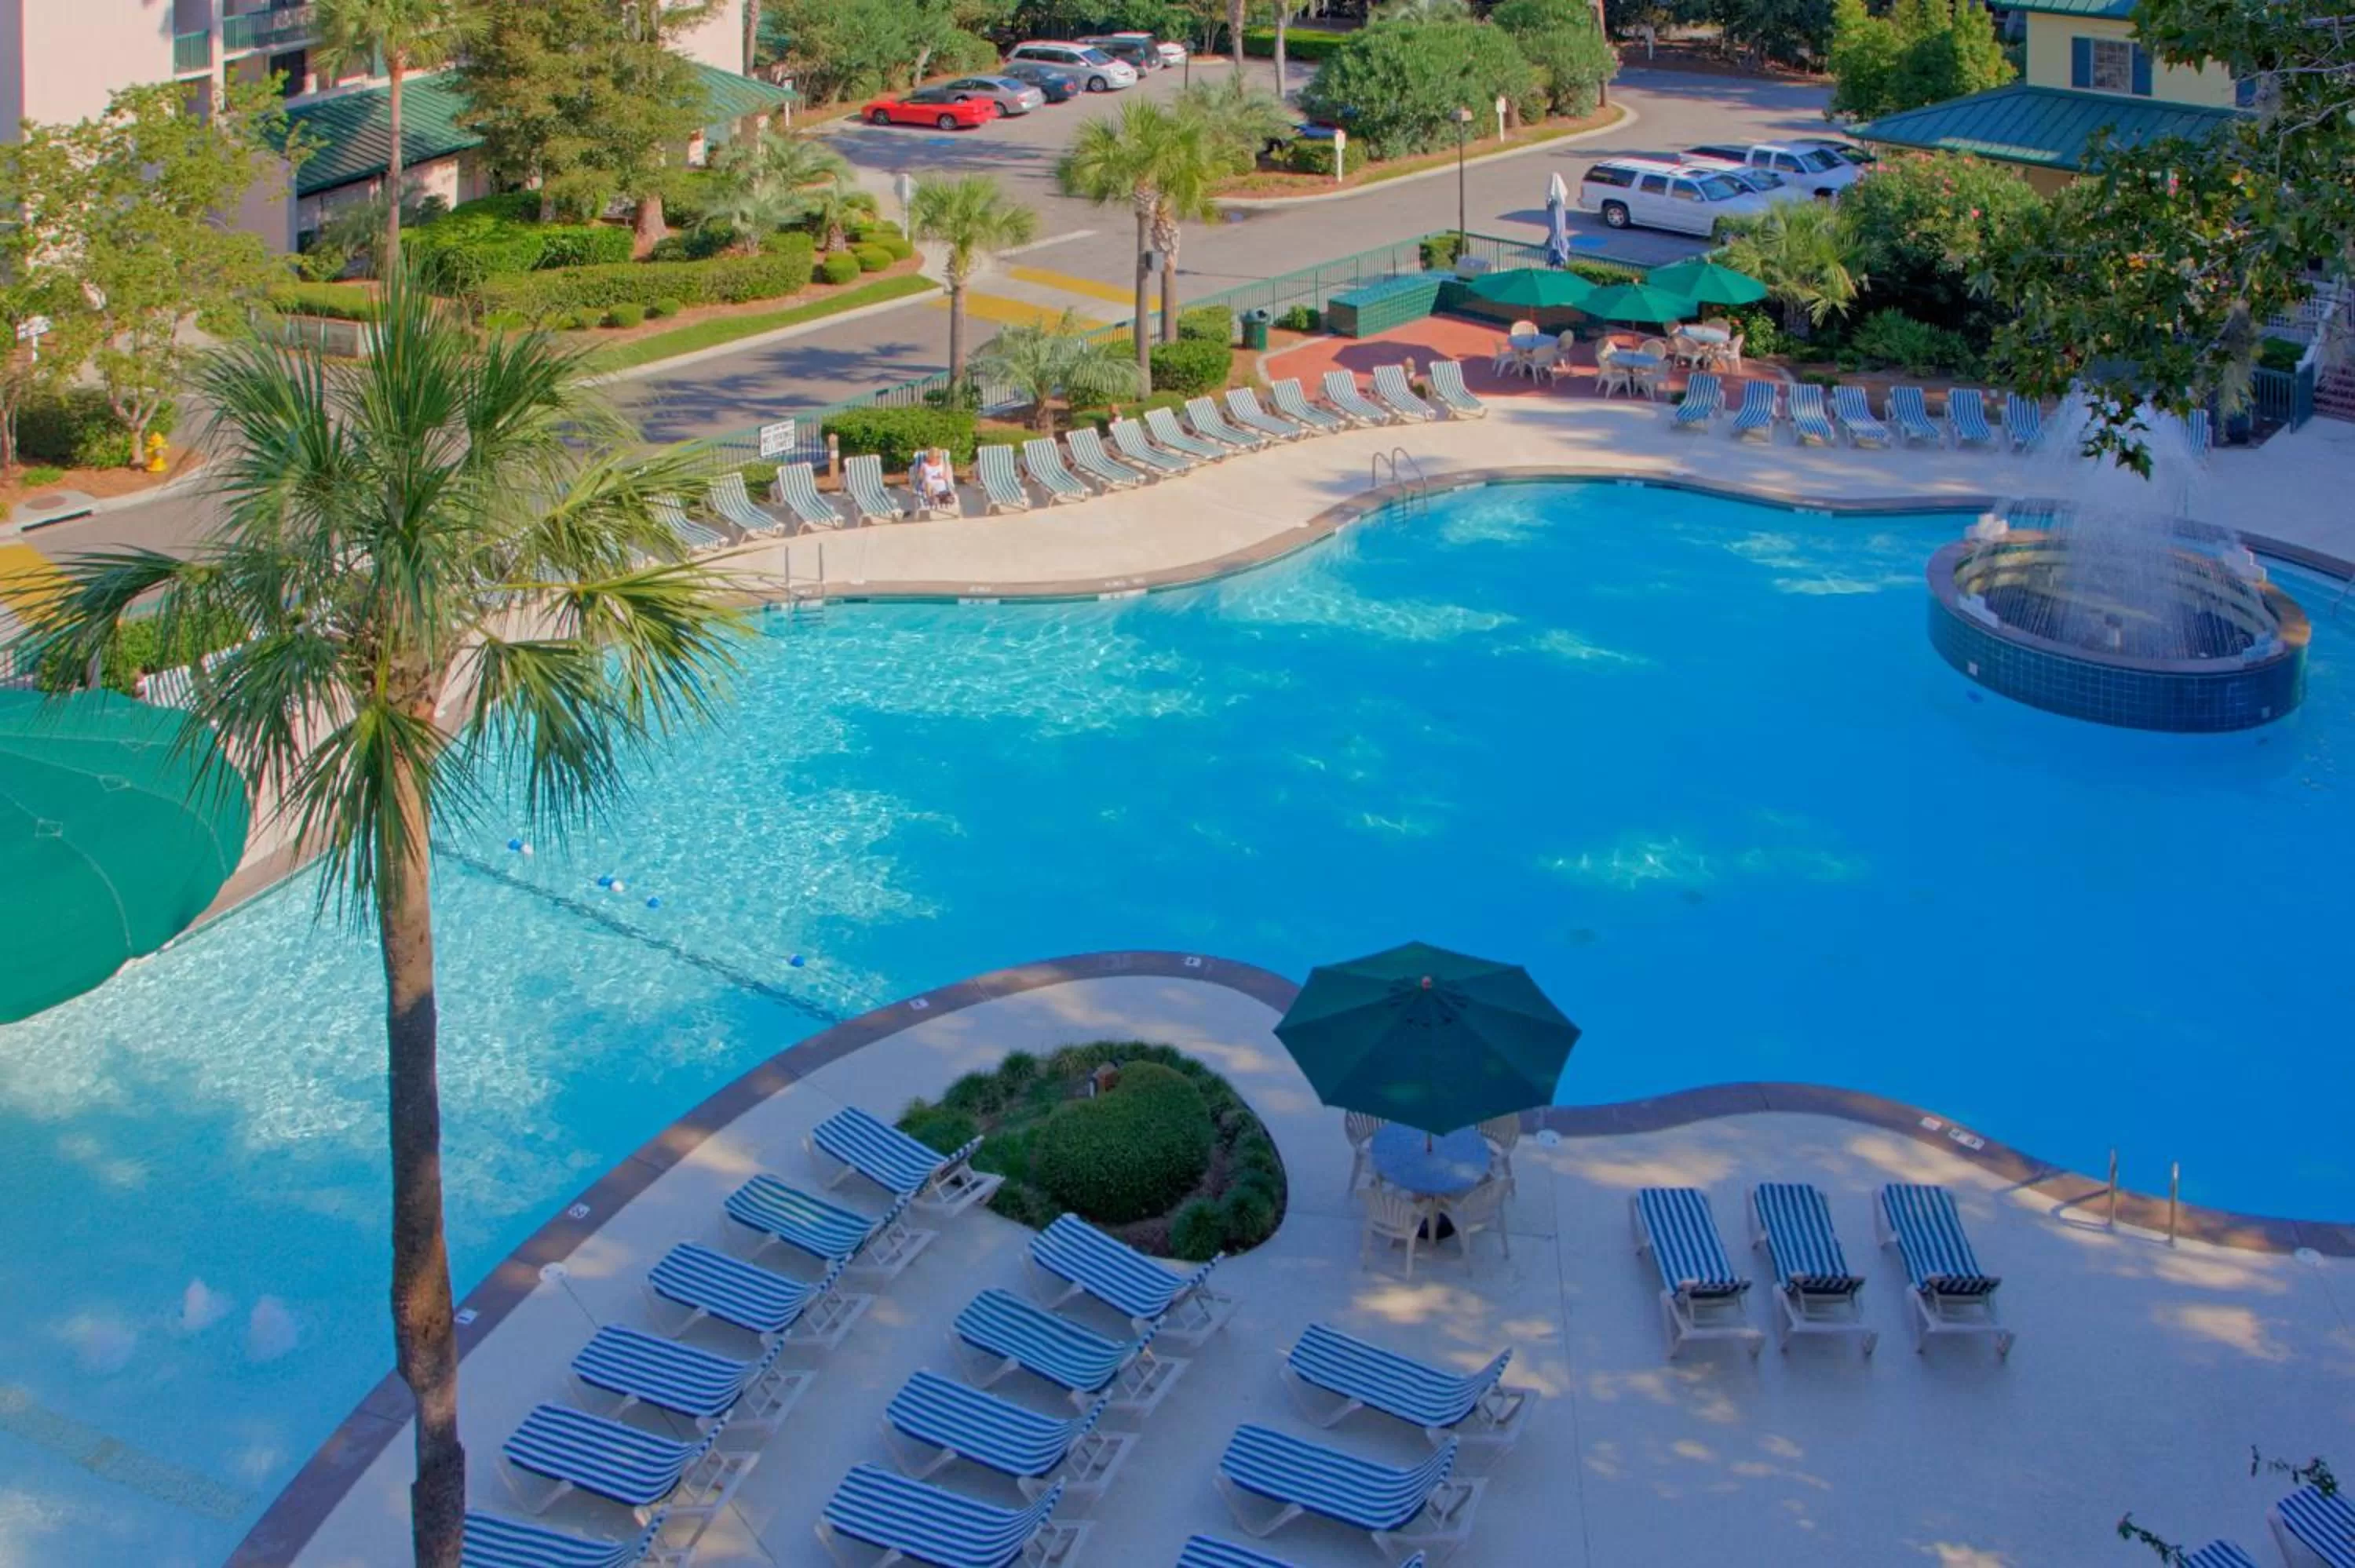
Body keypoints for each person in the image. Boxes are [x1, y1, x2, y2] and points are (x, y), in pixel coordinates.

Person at [909, 447, 955, 513]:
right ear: (931, 457)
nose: (938, 458)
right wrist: (925, 476)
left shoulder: (941, 465)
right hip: (928, 485)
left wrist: (941, 476)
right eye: (936, 457)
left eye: (939, 457)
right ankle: (930, 498)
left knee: (947, 497)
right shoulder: (924, 465)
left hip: (940, 485)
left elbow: (946, 477)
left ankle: (940, 498)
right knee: (928, 483)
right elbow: (920, 476)